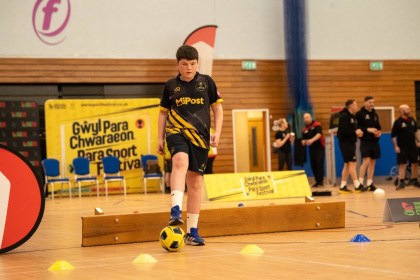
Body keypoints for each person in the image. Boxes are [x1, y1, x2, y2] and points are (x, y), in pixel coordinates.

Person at [157, 45, 223, 246]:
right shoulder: (170, 86)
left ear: (197, 64)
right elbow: (162, 113)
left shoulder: (207, 83)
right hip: (176, 133)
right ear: (178, 64)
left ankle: (192, 232)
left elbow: (218, 109)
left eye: (193, 64)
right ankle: (175, 209)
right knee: (180, 162)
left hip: (200, 138)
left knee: (195, 183)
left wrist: (217, 133)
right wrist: (160, 138)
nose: (189, 68)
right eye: (184, 64)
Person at [337, 99, 367, 194]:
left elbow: (352, 130)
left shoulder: (352, 117)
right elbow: (343, 131)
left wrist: (358, 133)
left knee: (347, 164)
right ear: (350, 106)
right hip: (346, 143)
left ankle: (343, 185)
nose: (357, 107)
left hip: (350, 142)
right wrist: (355, 132)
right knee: (352, 163)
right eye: (356, 105)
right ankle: (357, 185)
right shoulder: (344, 116)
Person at [391, 104, 420, 190]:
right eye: (407, 109)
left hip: (413, 146)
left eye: (409, 108)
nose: (409, 110)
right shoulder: (398, 122)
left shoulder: (412, 120)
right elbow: (393, 136)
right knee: (402, 164)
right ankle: (401, 182)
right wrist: (396, 146)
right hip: (402, 147)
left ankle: (414, 180)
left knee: (415, 163)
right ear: (402, 111)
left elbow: (415, 132)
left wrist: (418, 141)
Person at [356, 96, 381, 191]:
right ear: (365, 102)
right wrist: (368, 129)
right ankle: (360, 183)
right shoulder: (360, 114)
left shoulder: (375, 114)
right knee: (366, 161)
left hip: (374, 141)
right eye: (370, 102)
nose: (372, 104)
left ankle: (370, 183)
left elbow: (378, 127)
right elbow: (357, 126)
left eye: (373, 102)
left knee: (372, 162)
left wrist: (378, 132)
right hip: (365, 141)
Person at [302, 113, 325, 187]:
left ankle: (321, 181)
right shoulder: (304, 129)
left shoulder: (317, 125)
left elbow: (319, 135)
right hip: (311, 149)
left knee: (319, 164)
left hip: (319, 148)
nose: (306, 119)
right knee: (313, 165)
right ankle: (317, 181)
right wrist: (304, 142)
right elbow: (303, 140)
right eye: (304, 118)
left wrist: (311, 140)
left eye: (307, 117)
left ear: (311, 117)